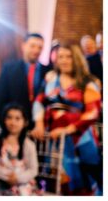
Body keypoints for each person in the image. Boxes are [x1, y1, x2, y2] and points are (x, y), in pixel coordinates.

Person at [32, 45, 102, 195]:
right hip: (56, 141)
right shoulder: (50, 78)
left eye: (68, 56)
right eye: (60, 56)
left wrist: (66, 130)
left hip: (81, 141)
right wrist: (38, 123)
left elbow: (93, 112)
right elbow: (39, 101)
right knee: (57, 183)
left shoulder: (88, 82)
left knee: (85, 185)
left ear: (76, 58)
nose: (64, 60)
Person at [0, 33, 48, 123]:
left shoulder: (48, 70)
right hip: (14, 122)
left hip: (41, 123)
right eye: (32, 46)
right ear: (24, 46)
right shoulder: (9, 69)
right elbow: (0, 98)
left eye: (40, 47)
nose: (36, 50)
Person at [0, 103, 38, 196]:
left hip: (22, 181)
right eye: (9, 118)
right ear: (4, 120)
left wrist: (17, 178)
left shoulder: (29, 145)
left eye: (17, 118)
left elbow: (33, 169)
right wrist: (6, 176)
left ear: (25, 122)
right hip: (0, 179)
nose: (13, 122)